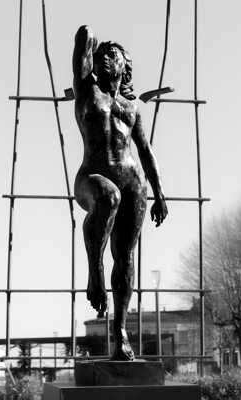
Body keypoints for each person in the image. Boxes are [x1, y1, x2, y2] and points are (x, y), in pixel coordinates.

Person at [73, 25, 167, 360]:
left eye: (110, 55)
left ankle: (120, 332)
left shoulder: (131, 107)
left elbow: (146, 150)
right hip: (92, 178)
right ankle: (94, 272)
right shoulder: (87, 92)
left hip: (133, 184)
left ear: (124, 65)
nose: (103, 59)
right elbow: (83, 40)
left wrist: (159, 192)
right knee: (107, 196)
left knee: (126, 258)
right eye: (99, 56)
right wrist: (89, 39)